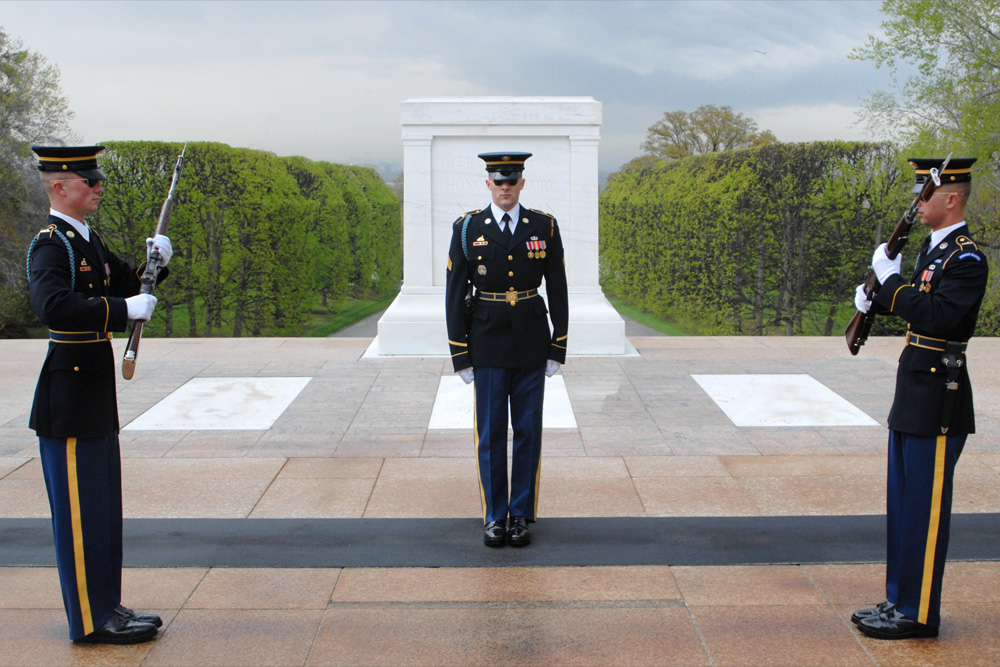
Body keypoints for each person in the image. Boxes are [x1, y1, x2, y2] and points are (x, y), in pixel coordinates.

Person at [27, 145, 172, 645]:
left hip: (92, 392)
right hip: (67, 399)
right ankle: (90, 621)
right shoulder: (53, 245)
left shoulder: (86, 240)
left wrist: (157, 264)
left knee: (102, 510)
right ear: (59, 186)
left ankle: (107, 606)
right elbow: (54, 308)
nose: (97, 187)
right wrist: (122, 308)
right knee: (80, 517)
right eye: (88, 180)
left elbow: (133, 285)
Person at [851, 157, 988, 640]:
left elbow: (939, 316)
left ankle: (919, 613)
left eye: (925, 195)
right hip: (914, 393)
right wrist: (876, 297)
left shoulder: (966, 257)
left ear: (952, 198)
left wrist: (890, 286)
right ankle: (899, 600)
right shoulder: (933, 252)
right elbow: (917, 306)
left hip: (939, 399)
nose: (918, 203)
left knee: (925, 514)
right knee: (905, 505)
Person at [445, 151, 569, 548]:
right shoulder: (468, 228)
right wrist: (460, 353)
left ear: (522, 183)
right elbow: (453, 295)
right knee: (492, 433)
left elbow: (560, 290)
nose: (505, 187)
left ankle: (520, 514)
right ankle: (494, 516)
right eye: (498, 181)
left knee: (528, 431)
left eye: (511, 180)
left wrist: (558, 345)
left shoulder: (544, 227)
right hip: (487, 343)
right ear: (488, 184)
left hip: (532, 340)